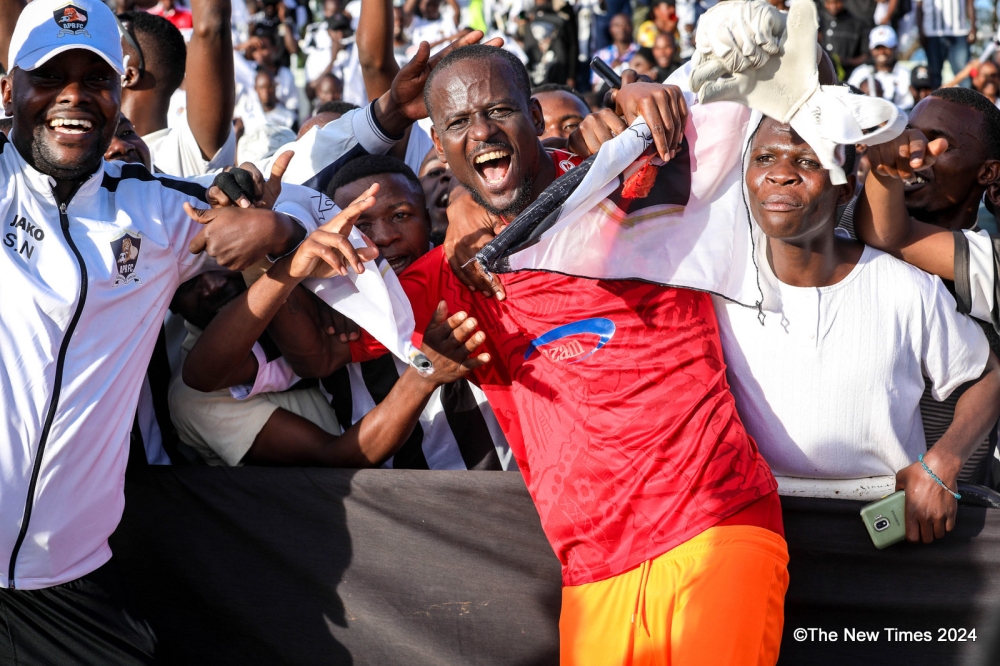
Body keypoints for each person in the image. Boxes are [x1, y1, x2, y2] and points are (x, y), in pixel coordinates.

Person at [264, 44, 787, 664]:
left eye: (499, 111)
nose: (481, 131)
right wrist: (275, 248)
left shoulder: (623, 180)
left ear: (535, 119)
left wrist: (645, 94)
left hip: (716, 523)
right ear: (438, 144)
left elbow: (780, 101)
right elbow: (318, 352)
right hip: (593, 572)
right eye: (458, 122)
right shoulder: (453, 270)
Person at [0, 0, 329, 660]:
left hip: (68, 586)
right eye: (49, 76)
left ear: (120, 92)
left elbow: (278, 200)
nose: (73, 97)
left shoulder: (152, 208)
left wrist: (277, 225)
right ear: (9, 90)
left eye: (92, 79)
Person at [713, 117, 1000, 543]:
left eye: (807, 161)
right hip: (751, 525)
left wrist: (945, 460)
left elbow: (987, 375)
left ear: (844, 188)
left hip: (885, 527)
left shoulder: (906, 286)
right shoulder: (716, 287)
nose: (781, 173)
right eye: (765, 158)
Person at [185, 154, 517, 470]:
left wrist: (464, 196)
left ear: (429, 218)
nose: (385, 237)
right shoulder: (326, 305)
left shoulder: (468, 267)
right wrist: (277, 263)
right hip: (407, 507)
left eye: (400, 215)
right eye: (360, 225)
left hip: (511, 488)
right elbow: (203, 376)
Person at [854, 87, 1000, 484]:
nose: (915, 149)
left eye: (940, 142)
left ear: (988, 173)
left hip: (951, 511)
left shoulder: (990, 262)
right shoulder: (840, 219)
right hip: (832, 496)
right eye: (910, 133)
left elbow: (890, 234)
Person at [118, 1, 237, 177]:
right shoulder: (84, 149)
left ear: (128, 76)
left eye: (109, 50)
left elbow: (211, 24)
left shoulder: (185, 151)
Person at [847, 25, 914, 111]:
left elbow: (909, 105)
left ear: (895, 48)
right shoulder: (860, 73)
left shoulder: (905, 73)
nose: (881, 52)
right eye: (877, 48)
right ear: (871, 50)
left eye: (886, 47)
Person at [917, 0, 975, 89]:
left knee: (964, 75)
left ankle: (966, 102)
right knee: (934, 76)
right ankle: (935, 102)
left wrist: (973, 27)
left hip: (959, 32)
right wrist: (920, 31)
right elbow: (919, 5)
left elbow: (970, 2)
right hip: (932, 34)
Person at [818, 0, 868, 79]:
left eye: (837, 2)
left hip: (849, 76)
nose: (833, 6)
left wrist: (847, 61)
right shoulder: (817, 22)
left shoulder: (857, 24)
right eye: (829, 3)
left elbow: (866, 56)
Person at [591, 13, 638, 90]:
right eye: (617, 25)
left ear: (632, 27)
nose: (621, 29)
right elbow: (595, 87)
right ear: (610, 29)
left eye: (625, 25)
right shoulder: (600, 55)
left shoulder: (640, 51)